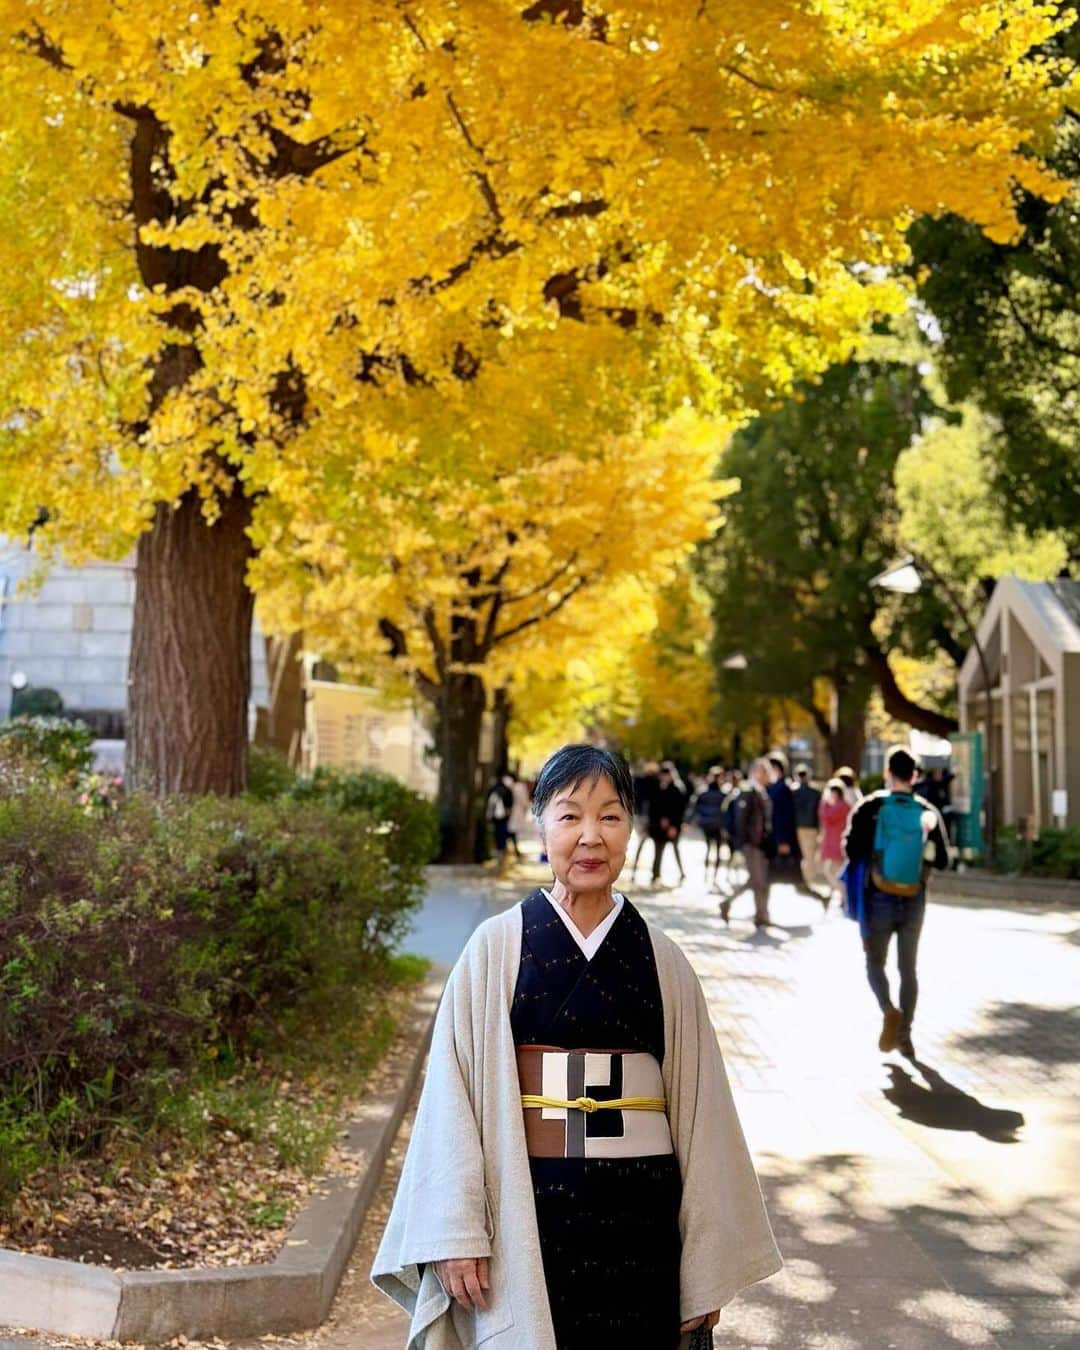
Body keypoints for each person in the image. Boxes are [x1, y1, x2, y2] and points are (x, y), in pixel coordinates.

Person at [372, 744, 782, 1349]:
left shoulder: (663, 961)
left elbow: (704, 1122)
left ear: (630, 830)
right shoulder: (496, 948)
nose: (590, 836)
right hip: (528, 1219)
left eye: (610, 817)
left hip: (644, 1223)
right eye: (569, 816)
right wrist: (456, 1230)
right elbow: (449, 1100)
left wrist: (706, 1267)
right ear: (539, 824)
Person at [842, 745, 950, 1059]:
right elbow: (942, 859)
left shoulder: (871, 806)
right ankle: (905, 1034)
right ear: (914, 776)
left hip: (878, 897)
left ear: (889, 773)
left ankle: (889, 1009)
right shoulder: (925, 811)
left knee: (875, 962)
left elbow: (851, 849)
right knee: (909, 969)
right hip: (914, 898)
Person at [719, 758, 774, 927]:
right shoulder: (748, 791)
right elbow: (741, 821)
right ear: (756, 772)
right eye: (763, 772)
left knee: (759, 880)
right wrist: (740, 845)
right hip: (752, 844)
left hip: (760, 843)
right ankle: (760, 915)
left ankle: (760, 914)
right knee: (758, 881)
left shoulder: (760, 791)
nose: (766, 776)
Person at [649, 761, 689, 886]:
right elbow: (656, 806)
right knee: (658, 851)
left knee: (675, 849)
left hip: (672, 826)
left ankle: (682, 873)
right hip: (661, 826)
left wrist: (674, 825)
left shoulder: (677, 789)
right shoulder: (661, 787)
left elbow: (679, 810)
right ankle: (655, 874)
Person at [817, 780, 852, 909]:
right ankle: (842, 894)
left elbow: (826, 817)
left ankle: (843, 894)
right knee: (834, 870)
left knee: (831, 871)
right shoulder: (845, 806)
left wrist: (825, 803)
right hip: (836, 840)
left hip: (835, 842)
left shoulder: (835, 807)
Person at [766, 753, 800, 880]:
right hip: (773, 837)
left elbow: (784, 816)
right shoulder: (772, 787)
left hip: (779, 837)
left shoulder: (783, 789)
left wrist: (783, 840)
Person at [693, 770, 728, 885]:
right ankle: (714, 877)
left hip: (707, 825)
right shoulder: (723, 795)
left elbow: (696, 808)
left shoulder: (703, 793)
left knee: (708, 849)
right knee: (717, 851)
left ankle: (706, 875)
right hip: (717, 825)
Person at [792, 765, 822, 891]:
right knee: (809, 855)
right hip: (810, 827)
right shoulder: (815, 792)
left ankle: (804, 880)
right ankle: (806, 880)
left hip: (798, 826)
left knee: (804, 855)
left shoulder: (793, 792)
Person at [630, 761, 659, 880]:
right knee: (649, 845)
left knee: (641, 845)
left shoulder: (638, 781)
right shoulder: (655, 782)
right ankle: (653, 874)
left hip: (639, 815)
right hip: (648, 817)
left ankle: (634, 872)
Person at [486, 775, 514, 876]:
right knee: (503, 836)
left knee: (497, 836)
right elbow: (510, 803)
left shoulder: (493, 790)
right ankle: (502, 854)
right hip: (503, 817)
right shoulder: (506, 790)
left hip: (495, 818)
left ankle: (499, 855)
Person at [507, 773, 531, 861]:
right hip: (517, 811)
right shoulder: (520, 787)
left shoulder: (510, 785)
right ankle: (515, 850)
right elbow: (524, 800)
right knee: (515, 831)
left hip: (510, 811)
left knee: (512, 830)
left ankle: (514, 850)